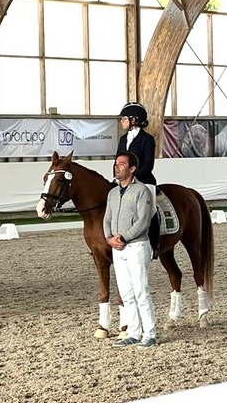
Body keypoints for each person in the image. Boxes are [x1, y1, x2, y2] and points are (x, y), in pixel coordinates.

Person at [104, 151, 157, 348]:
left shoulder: (142, 191)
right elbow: (107, 218)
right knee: (126, 293)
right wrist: (109, 238)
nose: (116, 167)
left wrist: (124, 237)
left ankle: (150, 333)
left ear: (132, 168)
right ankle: (134, 332)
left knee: (141, 291)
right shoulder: (112, 193)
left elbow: (143, 221)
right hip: (118, 248)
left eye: (121, 164)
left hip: (136, 246)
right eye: (116, 163)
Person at [117, 102, 160, 259]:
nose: (121, 121)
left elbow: (148, 165)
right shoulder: (123, 139)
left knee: (151, 211)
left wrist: (131, 178)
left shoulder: (147, 139)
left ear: (134, 120)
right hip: (124, 181)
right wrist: (118, 176)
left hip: (144, 180)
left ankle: (154, 245)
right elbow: (118, 161)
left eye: (124, 119)